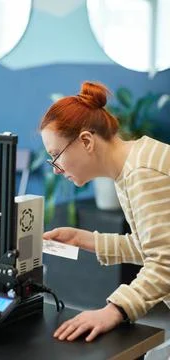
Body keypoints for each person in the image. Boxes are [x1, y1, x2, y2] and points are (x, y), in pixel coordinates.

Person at [40, 81, 170, 346]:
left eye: (56, 155)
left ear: (86, 140)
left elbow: (165, 262)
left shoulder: (141, 173)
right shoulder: (134, 164)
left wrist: (114, 310)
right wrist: (84, 240)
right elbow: (152, 245)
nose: (55, 168)